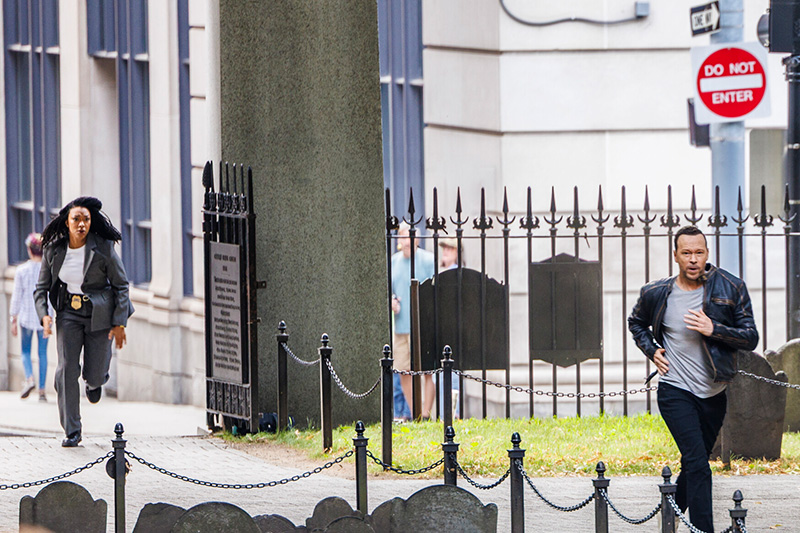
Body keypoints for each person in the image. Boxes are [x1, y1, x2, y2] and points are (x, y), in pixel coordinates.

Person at [628, 225, 758, 532]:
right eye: (686, 253)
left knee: (694, 463)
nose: (693, 259)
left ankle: (669, 513)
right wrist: (652, 350)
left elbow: (750, 337)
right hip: (675, 390)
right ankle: (702, 529)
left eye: (699, 252)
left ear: (707, 254)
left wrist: (715, 329)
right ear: (675, 256)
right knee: (699, 464)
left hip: (714, 394)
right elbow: (637, 323)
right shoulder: (657, 293)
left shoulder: (731, 287)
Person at [34, 197, 134, 448]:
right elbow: (41, 288)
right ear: (66, 222)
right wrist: (44, 315)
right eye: (76, 219)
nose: (81, 224)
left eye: (86, 220)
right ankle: (72, 430)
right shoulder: (53, 249)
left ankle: (95, 382)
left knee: (96, 370)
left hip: (99, 312)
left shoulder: (104, 247)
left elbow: (121, 285)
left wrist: (119, 323)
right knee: (67, 368)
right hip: (68, 312)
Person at [391, 223, 436, 420]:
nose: (405, 241)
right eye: (401, 237)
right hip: (401, 326)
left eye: (409, 237)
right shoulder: (393, 261)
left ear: (417, 239)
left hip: (423, 327)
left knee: (426, 372)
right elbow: (389, 289)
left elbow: (436, 288)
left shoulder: (427, 260)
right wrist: (391, 300)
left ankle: (426, 413)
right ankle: (416, 413)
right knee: (404, 371)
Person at [10, 233, 51, 402]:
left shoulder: (22, 271)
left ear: (29, 250)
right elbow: (51, 296)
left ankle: (29, 378)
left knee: (25, 351)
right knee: (43, 353)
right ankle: (42, 390)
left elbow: (17, 295)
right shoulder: (48, 269)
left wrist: (13, 317)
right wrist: (51, 317)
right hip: (43, 318)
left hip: (26, 315)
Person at [437, 237, 461, 419]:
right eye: (444, 248)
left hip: (451, 332)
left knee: (451, 376)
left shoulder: (453, 275)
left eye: (449, 249)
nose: (445, 251)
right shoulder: (446, 273)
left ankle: (452, 415)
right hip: (448, 331)